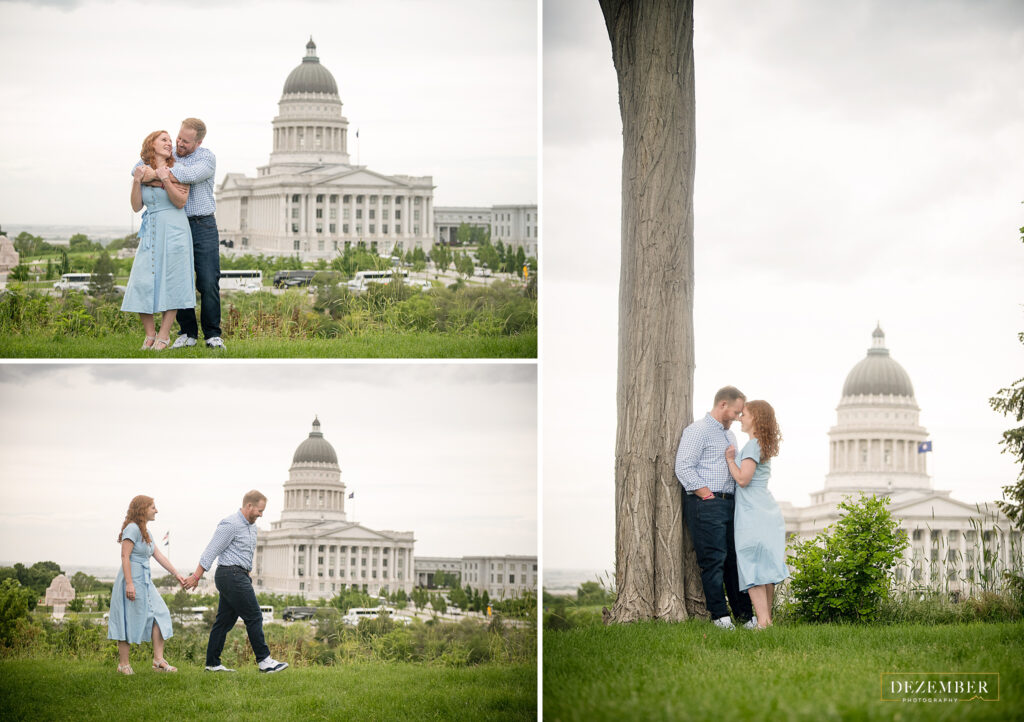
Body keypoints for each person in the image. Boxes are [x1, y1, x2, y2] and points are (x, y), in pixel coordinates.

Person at [137, 118, 225, 350]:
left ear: (199, 141)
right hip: (176, 225)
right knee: (178, 279)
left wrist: (154, 176)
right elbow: (137, 170)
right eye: (178, 138)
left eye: (185, 141)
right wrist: (157, 175)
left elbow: (188, 177)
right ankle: (187, 333)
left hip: (202, 225)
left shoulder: (206, 158)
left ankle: (212, 335)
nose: (179, 144)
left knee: (207, 281)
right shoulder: (170, 152)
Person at [674, 386, 755, 630]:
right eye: (737, 412)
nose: (739, 417)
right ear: (722, 405)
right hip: (707, 505)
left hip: (730, 504)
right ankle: (720, 617)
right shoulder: (697, 431)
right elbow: (684, 467)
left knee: (733, 560)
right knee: (713, 560)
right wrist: (706, 494)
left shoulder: (730, 436)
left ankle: (745, 616)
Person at [183, 490, 287, 673]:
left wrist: (247, 574)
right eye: (259, 511)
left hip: (238, 575)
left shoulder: (252, 527)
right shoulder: (230, 524)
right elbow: (211, 551)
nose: (261, 515)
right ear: (249, 506)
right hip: (230, 574)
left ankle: (212, 664)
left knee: (224, 621)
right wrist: (196, 576)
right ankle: (264, 661)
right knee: (254, 616)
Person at [122, 131, 196, 350]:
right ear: (151, 144)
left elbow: (181, 200)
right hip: (151, 229)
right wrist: (138, 180)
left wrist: (164, 179)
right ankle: (150, 334)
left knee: (172, 281)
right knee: (142, 280)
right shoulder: (140, 168)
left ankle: (164, 336)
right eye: (163, 139)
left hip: (175, 228)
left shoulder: (179, 169)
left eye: (170, 141)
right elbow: (136, 206)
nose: (169, 143)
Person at [725, 400, 789, 629]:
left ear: (756, 418)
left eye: (744, 414)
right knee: (765, 568)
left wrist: (731, 461)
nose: (740, 417)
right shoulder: (762, 444)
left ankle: (762, 622)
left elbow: (743, 479)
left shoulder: (753, 445)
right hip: (766, 511)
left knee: (751, 564)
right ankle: (767, 620)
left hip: (753, 513)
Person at [107, 495, 187, 674]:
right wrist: (129, 583)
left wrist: (177, 575)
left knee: (161, 613)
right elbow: (125, 556)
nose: (156, 510)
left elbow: (158, 556)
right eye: (153, 507)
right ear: (143, 509)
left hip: (145, 581)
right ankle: (123, 665)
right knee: (128, 618)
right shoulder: (132, 529)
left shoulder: (146, 532)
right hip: (132, 579)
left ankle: (158, 661)